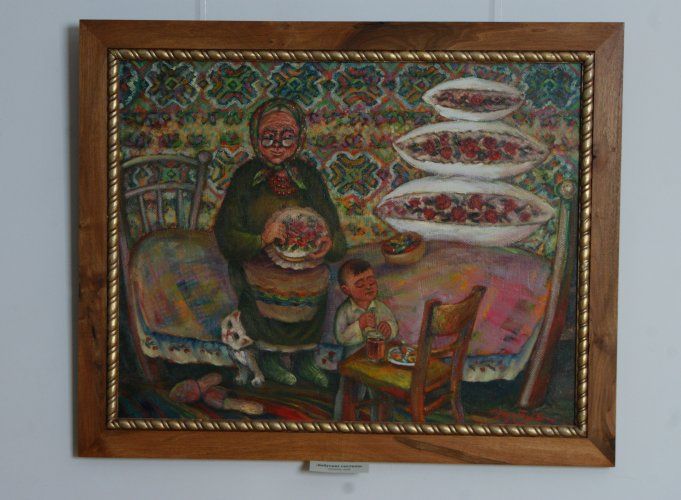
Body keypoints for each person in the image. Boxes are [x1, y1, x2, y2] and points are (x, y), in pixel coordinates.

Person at [213, 98, 347, 387]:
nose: (277, 145)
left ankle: (304, 359)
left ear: (299, 138)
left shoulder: (308, 176)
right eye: (268, 137)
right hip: (257, 259)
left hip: (305, 261)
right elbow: (226, 234)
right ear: (255, 137)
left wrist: (328, 243)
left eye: (286, 137)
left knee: (317, 278)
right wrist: (261, 239)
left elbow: (334, 231)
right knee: (265, 286)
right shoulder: (246, 177)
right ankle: (269, 359)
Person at [333, 258, 398, 419]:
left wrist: (389, 328)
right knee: (350, 393)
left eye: (371, 281)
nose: (368, 287)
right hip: (354, 362)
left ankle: (381, 423)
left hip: (377, 361)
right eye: (360, 284)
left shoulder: (380, 308)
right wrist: (359, 325)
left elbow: (393, 324)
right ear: (346, 290)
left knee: (381, 393)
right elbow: (341, 337)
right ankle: (342, 422)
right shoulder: (345, 311)